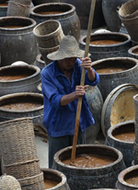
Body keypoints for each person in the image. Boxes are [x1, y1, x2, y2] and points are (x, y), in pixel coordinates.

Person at [40, 35, 100, 167]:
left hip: (78, 121)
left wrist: (89, 69)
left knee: (79, 161)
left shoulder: (78, 65)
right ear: (60, 58)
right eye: (68, 59)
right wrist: (74, 94)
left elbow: (94, 80)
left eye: (73, 58)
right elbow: (56, 100)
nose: (71, 62)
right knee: (58, 165)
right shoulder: (47, 73)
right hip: (58, 125)